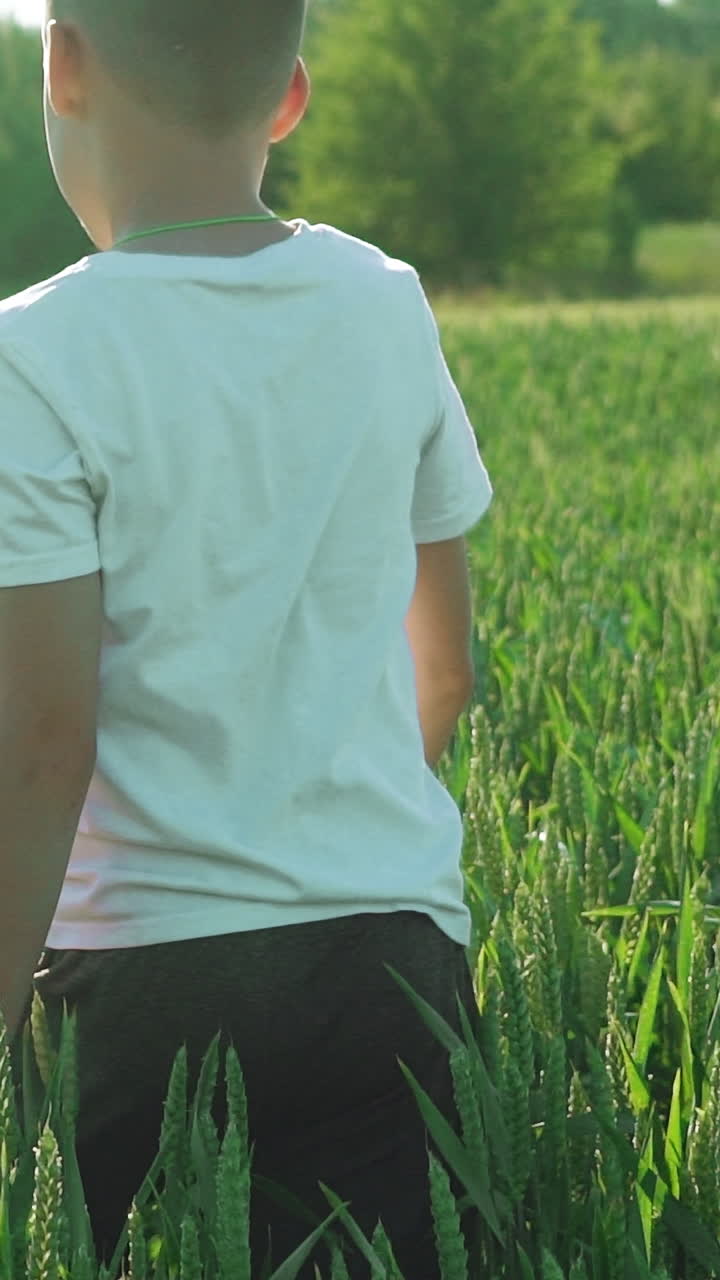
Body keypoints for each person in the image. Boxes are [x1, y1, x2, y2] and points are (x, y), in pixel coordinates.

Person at [0, 0, 494, 1275]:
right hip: (389, 951)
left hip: (145, 973)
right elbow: (446, 667)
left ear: (62, 68)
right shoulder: (387, 303)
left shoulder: (34, 355)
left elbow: (43, 748)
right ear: (291, 97)